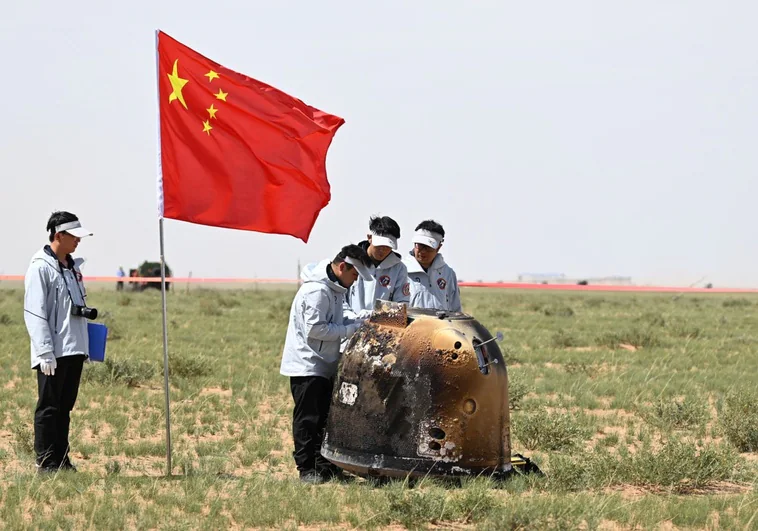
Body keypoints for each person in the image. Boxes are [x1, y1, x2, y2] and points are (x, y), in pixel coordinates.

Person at [279, 244, 374, 484]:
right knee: (308, 419)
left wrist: (363, 318)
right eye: (354, 276)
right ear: (342, 267)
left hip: (323, 364)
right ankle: (306, 469)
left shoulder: (335, 289)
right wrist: (350, 329)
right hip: (307, 365)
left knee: (324, 418)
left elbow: (340, 317)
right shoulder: (317, 292)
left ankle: (325, 468)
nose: (354, 282)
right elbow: (316, 329)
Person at [23, 211, 94, 473]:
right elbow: (34, 312)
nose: (78, 241)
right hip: (52, 352)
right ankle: (45, 462)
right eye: (74, 236)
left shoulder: (73, 267)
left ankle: (62, 461)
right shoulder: (40, 267)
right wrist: (44, 351)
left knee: (65, 408)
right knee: (48, 408)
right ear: (59, 235)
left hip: (74, 348)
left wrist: (87, 346)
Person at [344, 216, 410, 320]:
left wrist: (376, 314)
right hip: (348, 327)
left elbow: (402, 306)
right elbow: (338, 297)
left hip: (381, 330)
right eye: (379, 245)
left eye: (388, 246)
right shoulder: (351, 261)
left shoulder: (399, 269)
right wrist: (348, 314)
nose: (383, 250)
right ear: (369, 237)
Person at [402, 220, 462, 312]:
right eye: (420, 245)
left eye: (428, 247)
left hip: (441, 325)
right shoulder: (401, 271)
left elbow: (456, 309)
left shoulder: (448, 273)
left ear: (438, 247)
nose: (423, 251)